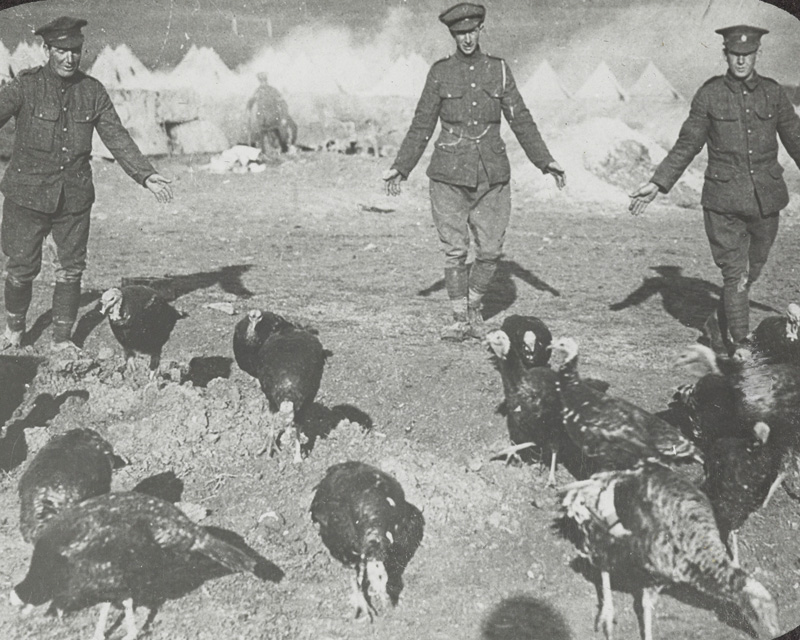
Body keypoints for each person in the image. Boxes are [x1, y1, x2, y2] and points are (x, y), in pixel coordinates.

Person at [382, 2, 565, 342]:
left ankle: (475, 307)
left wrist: (545, 161)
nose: (466, 39)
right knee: (455, 250)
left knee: (491, 251)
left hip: (492, 177)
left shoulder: (499, 70)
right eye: (459, 33)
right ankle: (459, 319)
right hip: (447, 175)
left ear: (481, 30)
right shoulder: (439, 72)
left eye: (471, 31)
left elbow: (520, 119)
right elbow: (422, 123)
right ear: (453, 35)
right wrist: (400, 167)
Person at [0, 16, 174, 352]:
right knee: (21, 270)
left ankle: (63, 341)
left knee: (70, 270)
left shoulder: (92, 91)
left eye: (75, 50)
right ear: (46, 49)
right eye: (62, 50)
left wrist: (145, 174)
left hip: (74, 199)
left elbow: (116, 137)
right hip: (26, 197)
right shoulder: (24, 86)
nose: (69, 58)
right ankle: (14, 330)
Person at [629, 24, 800, 353]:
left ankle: (718, 327)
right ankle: (741, 345)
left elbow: (795, 139)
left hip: (767, 201)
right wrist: (657, 182)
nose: (740, 61)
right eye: (735, 54)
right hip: (723, 202)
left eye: (747, 55)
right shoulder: (709, 94)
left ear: (756, 55)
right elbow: (687, 144)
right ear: (725, 54)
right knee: (736, 273)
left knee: (751, 272)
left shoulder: (773, 92)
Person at [246, 72, 297, 154]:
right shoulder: (258, 91)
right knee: (258, 136)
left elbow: (283, 103)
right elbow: (251, 101)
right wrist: (248, 109)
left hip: (273, 118)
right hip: (262, 119)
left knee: (281, 136)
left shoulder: (273, 90)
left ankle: (284, 150)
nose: (263, 83)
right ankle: (261, 154)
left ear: (266, 80)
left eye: (264, 81)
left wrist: (284, 117)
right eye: (261, 81)